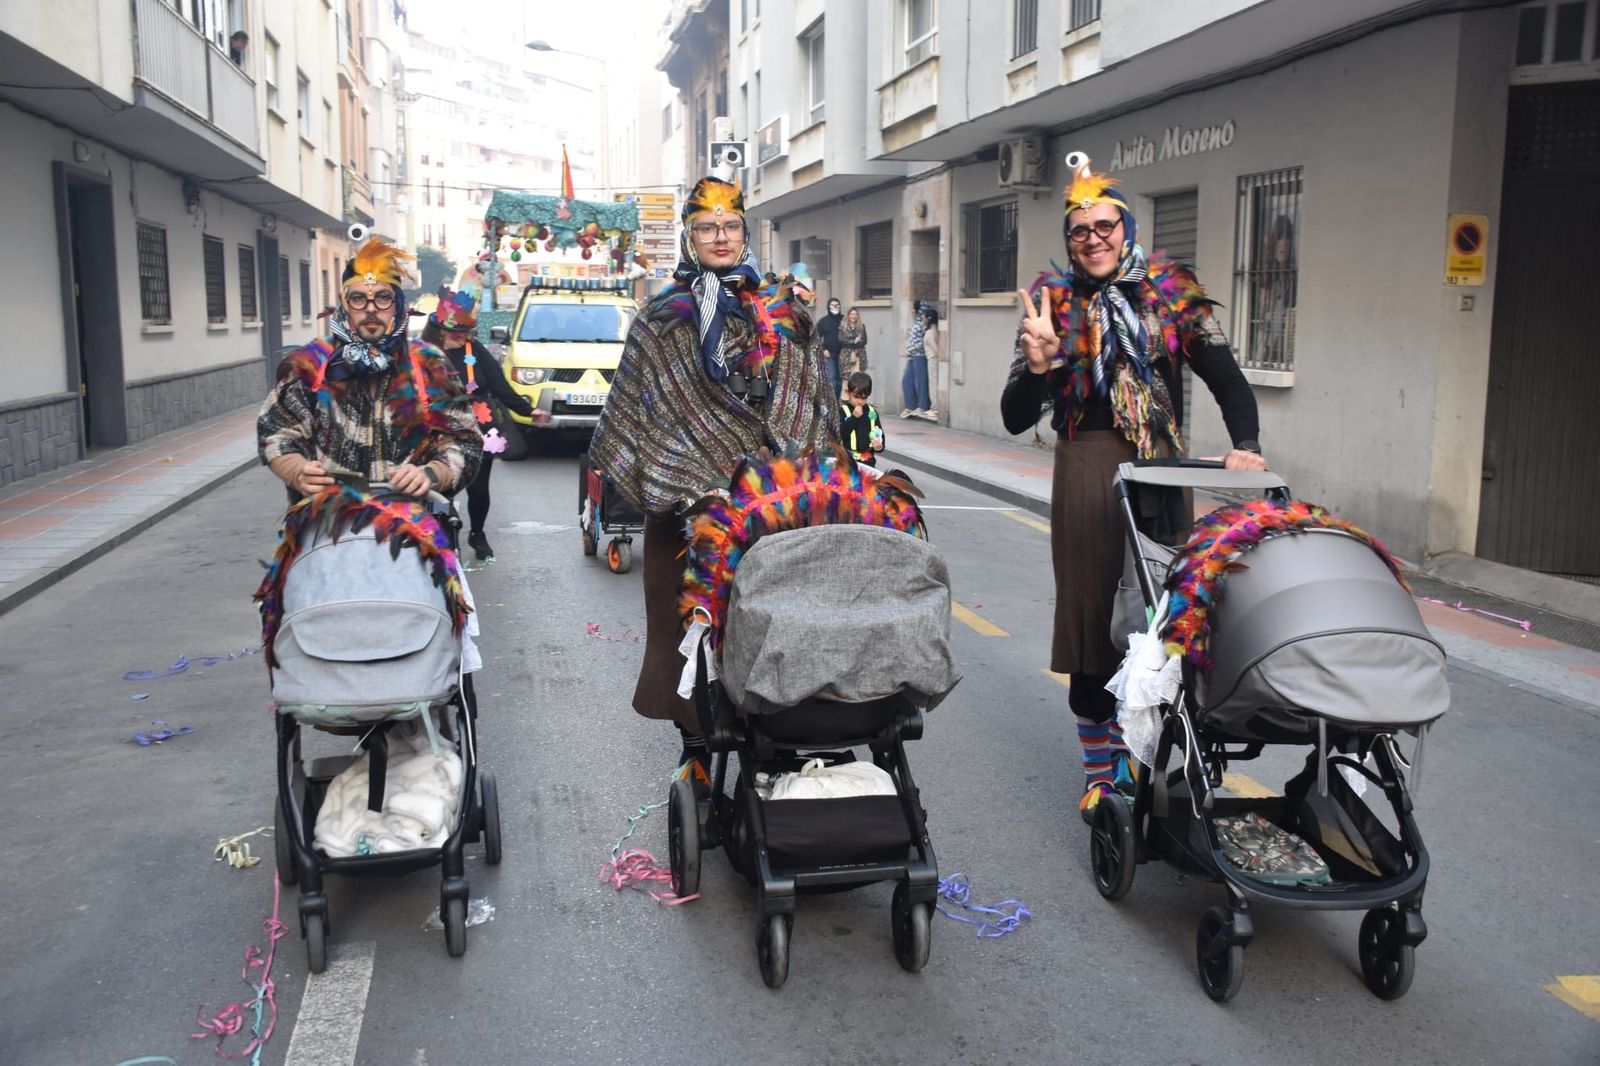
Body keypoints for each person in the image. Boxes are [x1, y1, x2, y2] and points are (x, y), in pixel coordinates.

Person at [1001, 152, 1267, 823]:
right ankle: (1101, 774)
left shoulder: (1170, 297)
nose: (1092, 239)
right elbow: (1012, 415)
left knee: (1159, 615)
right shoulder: (1052, 305)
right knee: (1096, 621)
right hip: (1087, 468)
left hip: (1159, 468)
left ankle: (1140, 754)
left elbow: (1227, 377)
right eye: (1079, 230)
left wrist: (1247, 446)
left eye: (1104, 226)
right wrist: (1037, 366)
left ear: (1128, 228)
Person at [588, 168, 838, 780]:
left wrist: (804, 476)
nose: (721, 237)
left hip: (772, 508)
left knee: (781, 618)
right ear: (688, 235)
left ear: (745, 231)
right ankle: (696, 749)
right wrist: (690, 485)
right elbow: (643, 415)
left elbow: (810, 399)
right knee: (688, 630)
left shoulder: (783, 309)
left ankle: (779, 735)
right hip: (687, 507)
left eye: (731, 225)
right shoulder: (662, 318)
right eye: (707, 227)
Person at [258, 236, 481, 503]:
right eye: (359, 299)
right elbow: (276, 431)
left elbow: (465, 442)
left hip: (413, 528)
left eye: (383, 298)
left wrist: (431, 474)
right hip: (327, 528)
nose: (371, 309)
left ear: (397, 305)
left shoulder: (427, 363)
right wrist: (297, 471)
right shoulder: (311, 364)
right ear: (344, 304)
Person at [421, 287, 547, 561]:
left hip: (478, 424)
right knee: (440, 486)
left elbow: (500, 386)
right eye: (459, 333)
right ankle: (441, 532)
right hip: (437, 425)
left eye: (468, 332)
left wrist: (528, 411)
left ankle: (477, 533)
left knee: (479, 488)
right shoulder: (423, 353)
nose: (465, 337)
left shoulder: (473, 349)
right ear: (439, 330)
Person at [900, 300, 938, 420]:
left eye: (913, 308)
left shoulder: (924, 324)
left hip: (920, 355)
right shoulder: (916, 322)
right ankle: (911, 407)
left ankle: (922, 407)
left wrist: (915, 347)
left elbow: (926, 340)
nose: (912, 310)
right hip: (912, 356)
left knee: (920, 383)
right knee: (906, 381)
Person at [840, 372, 885, 467]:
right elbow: (841, 435)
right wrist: (854, 418)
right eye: (856, 397)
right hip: (848, 462)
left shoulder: (872, 413)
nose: (860, 401)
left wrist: (879, 446)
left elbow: (879, 433)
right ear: (848, 393)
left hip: (868, 462)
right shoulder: (843, 411)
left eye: (864, 398)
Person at [816, 297, 845, 402]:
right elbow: (816, 338)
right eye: (833, 305)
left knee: (840, 379)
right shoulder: (823, 322)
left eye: (837, 305)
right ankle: (831, 402)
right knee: (832, 378)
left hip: (843, 354)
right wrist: (823, 350)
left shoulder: (844, 320)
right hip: (830, 354)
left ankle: (836, 401)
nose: (835, 307)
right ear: (829, 307)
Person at [838, 307, 868, 379]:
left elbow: (864, 341)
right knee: (847, 379)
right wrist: (854, 341)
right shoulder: (843, 327)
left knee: (858, 378)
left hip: (859, 355)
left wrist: (853, 341)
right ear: (848, 315)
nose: (854, 316)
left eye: (855, 314)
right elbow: (842, 340)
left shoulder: (862, 327)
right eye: (852, 314)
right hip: (846, 356)